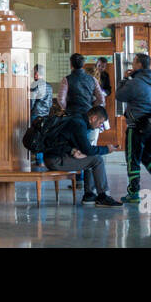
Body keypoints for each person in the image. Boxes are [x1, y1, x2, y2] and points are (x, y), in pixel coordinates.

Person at [41, 105, 122, 208]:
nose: (99, 126)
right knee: (97, 160)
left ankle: (89, 195)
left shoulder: (78, 120)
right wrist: (107, 149)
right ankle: (102, 196)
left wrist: (73, 151)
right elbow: (87, 149)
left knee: (89, 158)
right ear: (93, 118)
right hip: (55, 160)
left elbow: (75, 145)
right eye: (100, 123)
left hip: (54, 157)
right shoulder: (79, 124)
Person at [118, 52, 151, 204]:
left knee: (133, 159)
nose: (132, 65)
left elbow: (119, 96)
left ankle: (133, 193)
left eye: (134, 62)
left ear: (139, 65)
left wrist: (125, 79)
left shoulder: (135, 82)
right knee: (149, 157)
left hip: (136, 126)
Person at [57, 53, 108, 202]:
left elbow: (61, 99)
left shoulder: (67, 79)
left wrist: (67, 110)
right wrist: (92, 108)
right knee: (89, 152)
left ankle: (77, 179)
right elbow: (101, 98)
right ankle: (89, 192)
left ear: (71, 64)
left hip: (72, 120)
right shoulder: (91, 79)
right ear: (83, 64)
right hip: (89, 119)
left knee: (75, 150)